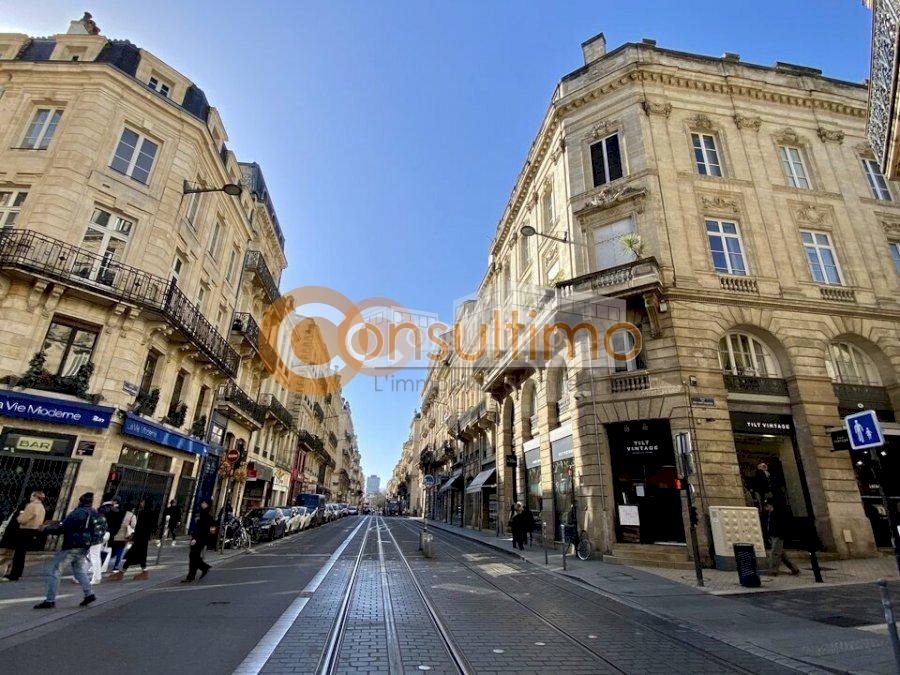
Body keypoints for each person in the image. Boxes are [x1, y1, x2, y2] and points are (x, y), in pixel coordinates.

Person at [34, 492, 105, 609]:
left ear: (80, 501)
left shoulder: (78, 513)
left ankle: (50, 600)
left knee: (55, 571)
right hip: (84, 546)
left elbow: (63, 528)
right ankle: (89, 593)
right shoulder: (93, 513)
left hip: (72, 545)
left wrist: (45, 530)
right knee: (79, 570)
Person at [3, 492, 46, 581]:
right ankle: (18, 572)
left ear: (35, 496)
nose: (30, 497)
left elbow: (22, 519)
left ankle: (14, 574)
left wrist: (19, 516)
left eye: (31, 495)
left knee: (19, 554)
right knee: (22, 554)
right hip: (33, 531)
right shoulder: (42, 507)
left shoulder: (31, 506)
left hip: (25, 530)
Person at [113, 499, 153, 581]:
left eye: (143, 502)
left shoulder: (142, 513)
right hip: (143, 538)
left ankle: (122, 573)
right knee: (139, 555)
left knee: (133, 555)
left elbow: (139, 527)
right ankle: (143, 571)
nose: (141, 503)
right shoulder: (150, 513)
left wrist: (133, 537)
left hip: (140, 538)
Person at [762, 500, 800, 576]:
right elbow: (767, 526)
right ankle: (794, 569)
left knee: (774, 553)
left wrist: (780, 535)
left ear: (770, 506)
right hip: (772, 536)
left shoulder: (777, 514)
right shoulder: (768, 515)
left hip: (778, 536)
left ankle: (773, 571)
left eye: (766, 506)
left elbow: (782, 525)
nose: (765, 508)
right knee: (782, 555)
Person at [184, 500, 214, 582]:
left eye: (204, 503)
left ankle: (203, 567)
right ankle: (191, 575)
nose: (202, 504)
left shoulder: (204, 516)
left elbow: (201, 529)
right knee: (194, 556)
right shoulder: (206, 516)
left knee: (193, 556)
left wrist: (195, 539)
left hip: (198, 539)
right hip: (201, 539)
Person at [106, 501, 133, 573]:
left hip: (114, 534)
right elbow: (133, 526)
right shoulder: (132, 515)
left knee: (112, 550)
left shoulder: (118, 513)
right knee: (120, 552)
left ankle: (104, 564)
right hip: (123, 536)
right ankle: (115, 567)